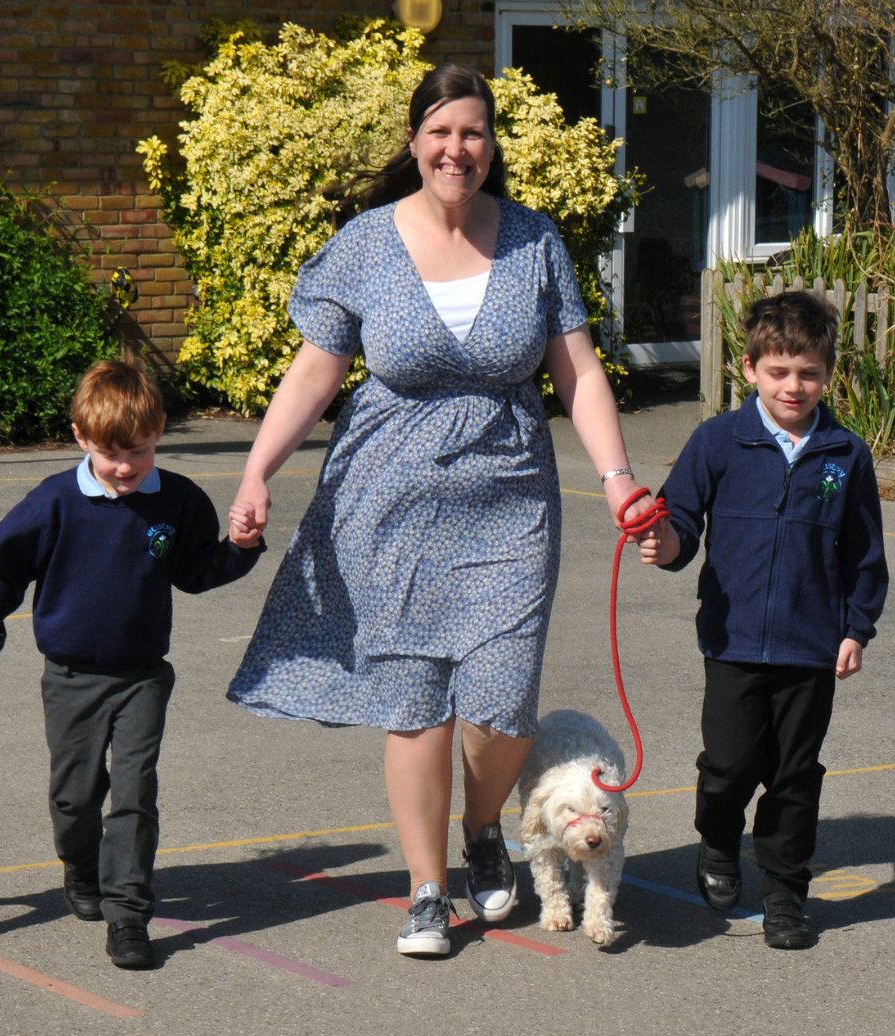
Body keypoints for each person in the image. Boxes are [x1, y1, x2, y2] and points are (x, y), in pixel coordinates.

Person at [226, 64, 657, 957]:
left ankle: (482, 828)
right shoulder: (365, 244)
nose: (456, 149)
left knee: (501, 704)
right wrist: (258, 471)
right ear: (416, 142)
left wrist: (617, 477)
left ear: (490, 144)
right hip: (387, 503)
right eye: (440, 132)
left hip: (511, 502)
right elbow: (314, 372)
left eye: (473, 132)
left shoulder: (534, 240)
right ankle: (427, 890)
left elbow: (578, 371)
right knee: (415, 701)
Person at [0, 359, 264, 969]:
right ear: (81, 436)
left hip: (142, 676)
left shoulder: (178, 499)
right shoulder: (54, 501)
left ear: (159, 430)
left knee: (135, 793)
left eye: (137, 451)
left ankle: (128, 915)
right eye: (111, 453)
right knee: (75, 799)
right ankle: (81, 867)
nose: (124, 466)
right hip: (70, 678)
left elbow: (196, 572)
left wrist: (241, 548)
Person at [641, 290, 888, 948]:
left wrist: (855, 628)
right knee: (729, 767)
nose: (793, 386)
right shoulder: (718, 440)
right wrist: (666, 542)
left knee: (794, 775)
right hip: (734, 639)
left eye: (809, 373)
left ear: (828, 374)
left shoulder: (845, 453)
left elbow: (864, 553)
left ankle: (785, 892)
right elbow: (679, 517)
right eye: (778, 371)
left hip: (812, 646)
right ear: (750, 369)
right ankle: (719, 840)